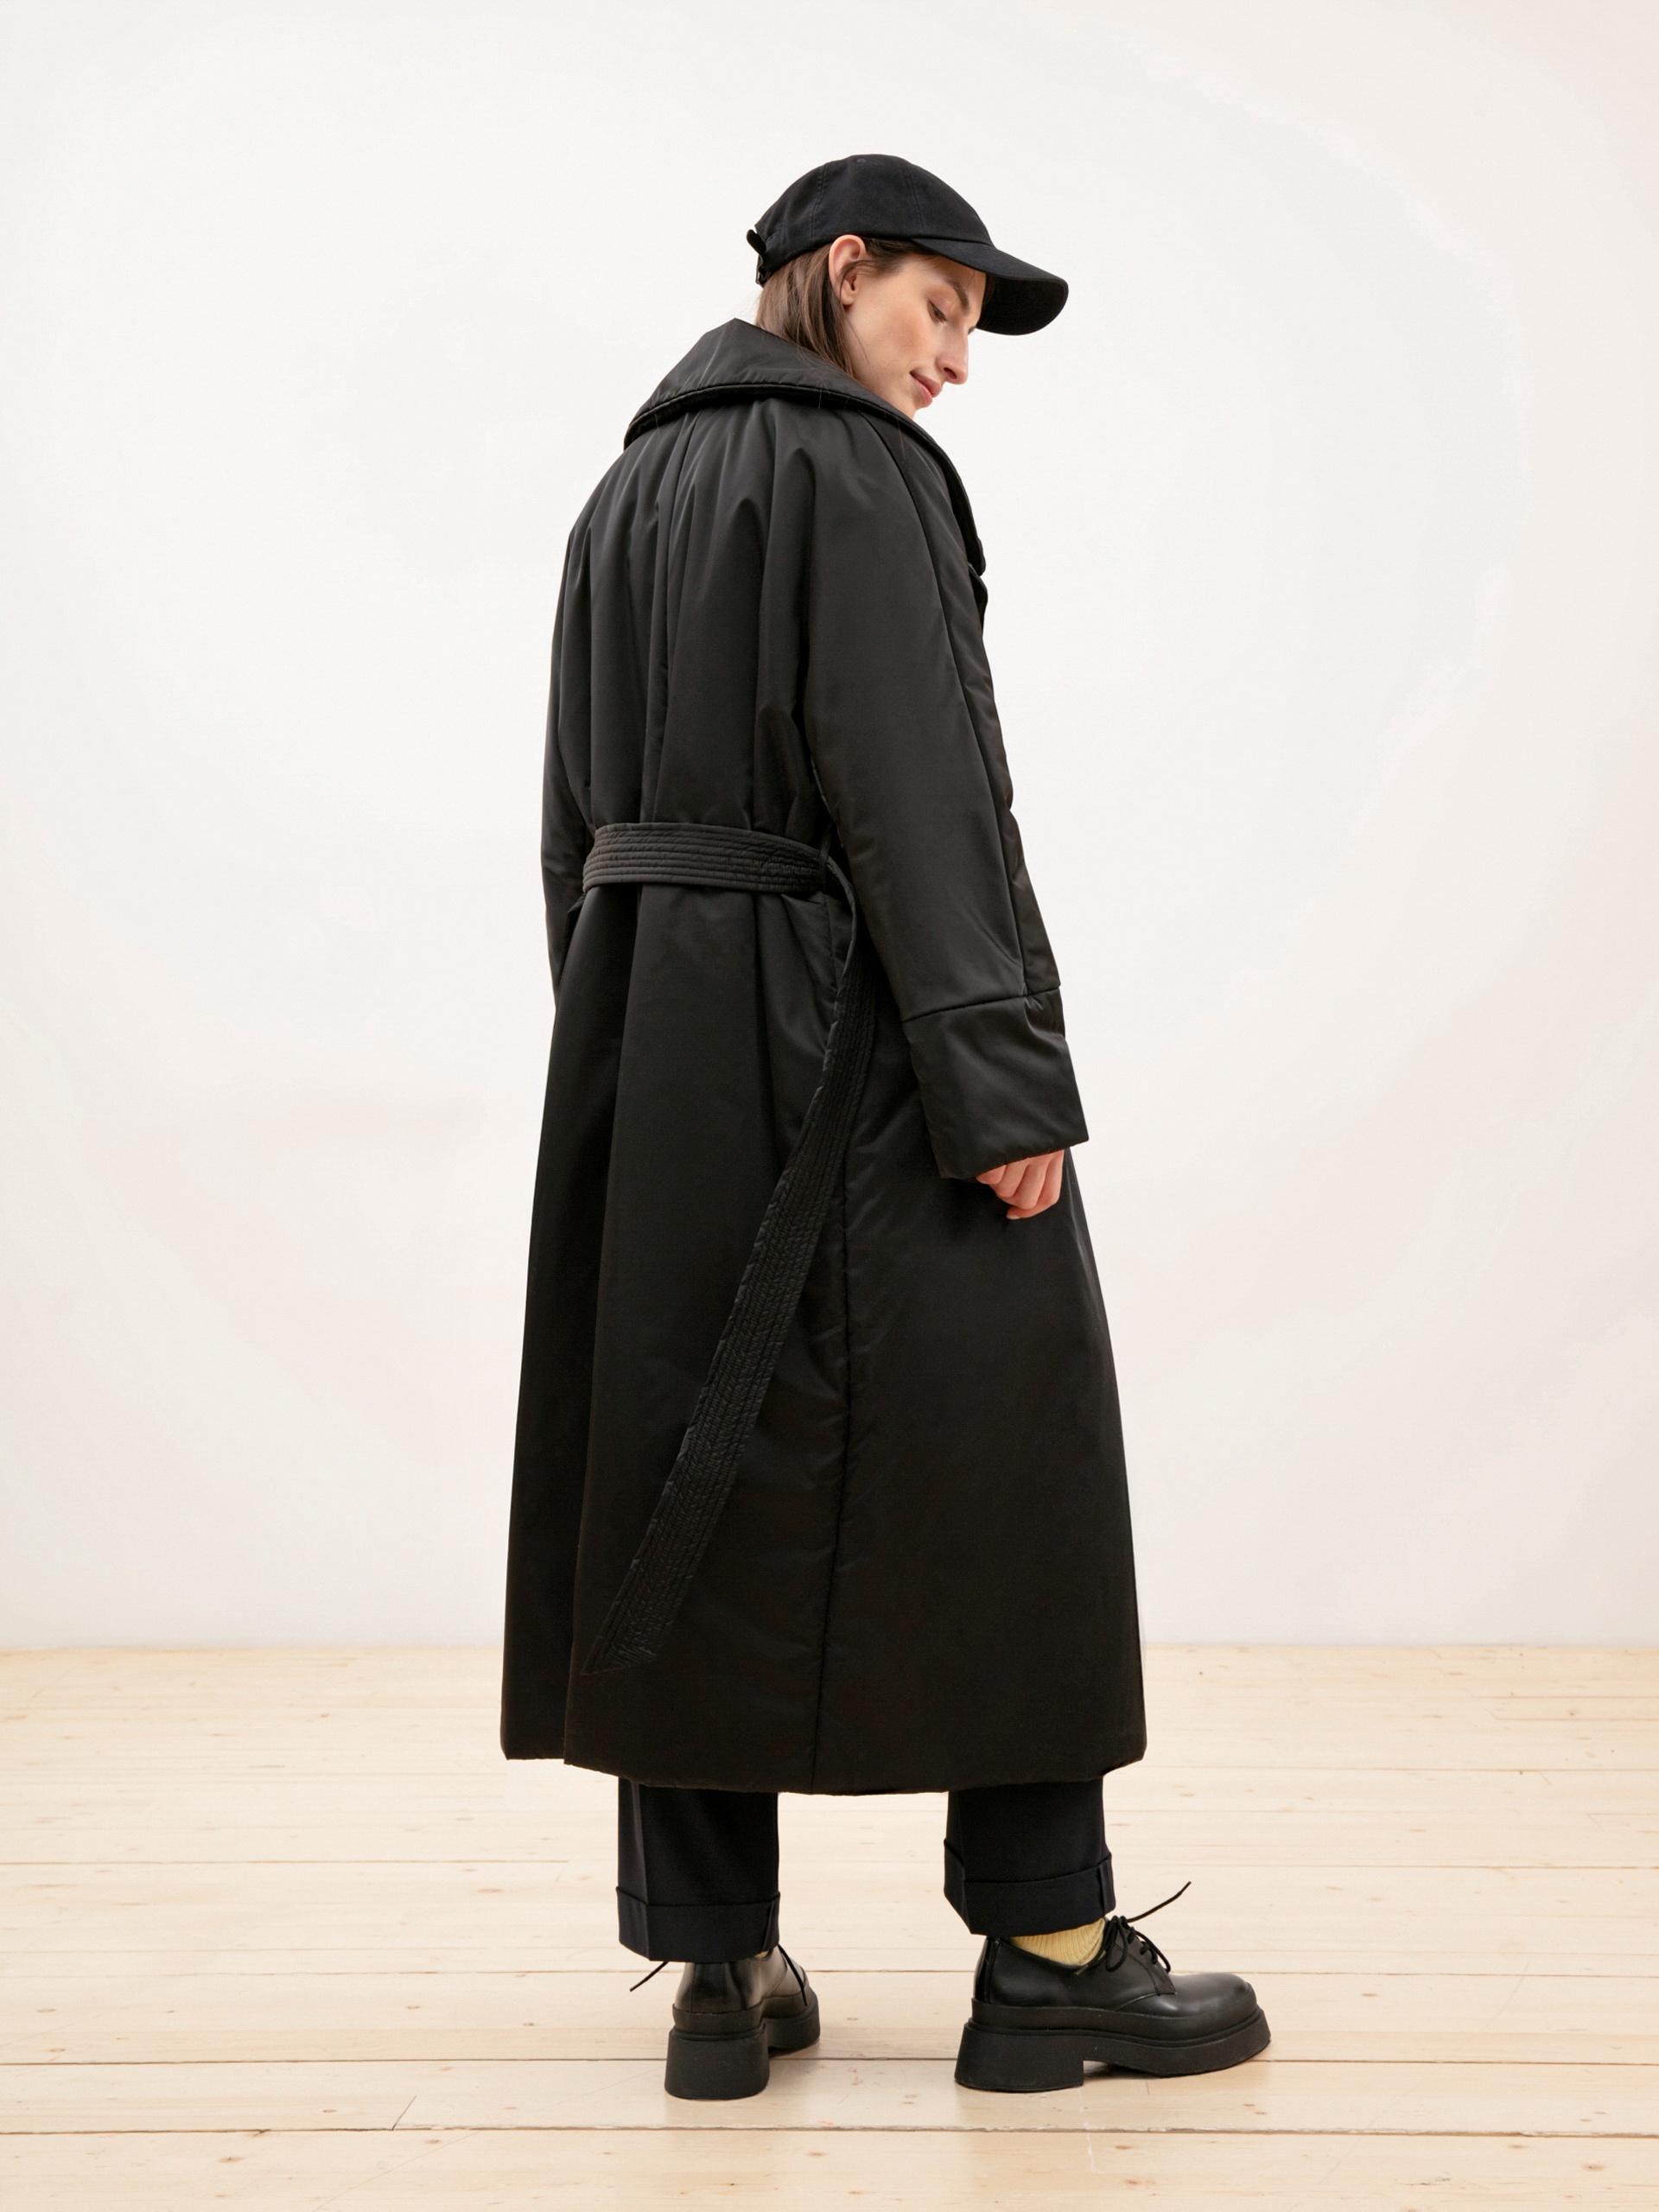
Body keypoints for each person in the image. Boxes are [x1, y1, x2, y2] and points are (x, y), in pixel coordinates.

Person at [500, 153, 1268, 2100]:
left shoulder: (621, 493)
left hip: (654, 1041)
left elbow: (571, 810)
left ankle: (716, 1967)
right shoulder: (862, 472)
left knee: (682, 1471)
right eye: (941, 307)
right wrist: (997, 1077)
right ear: (840, 271)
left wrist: (616, 1036)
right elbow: (928, 785)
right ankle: (1054, 1952)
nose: (956, 360)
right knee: (1024, 1446)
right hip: (853, 1032)